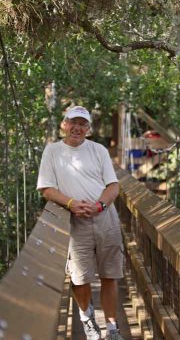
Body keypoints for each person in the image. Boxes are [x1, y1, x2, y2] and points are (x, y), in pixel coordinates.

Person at [37, 106, 124, 340]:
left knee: (110, 274)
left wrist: (99, 206)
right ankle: (87, 318)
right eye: (72, 122)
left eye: (82, 124)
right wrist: (72, 203)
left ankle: (113, 329)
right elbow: (46, 188)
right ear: (63, 125)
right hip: (74, 221)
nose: (77, 127)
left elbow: (113, 186)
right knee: (79, 277)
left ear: (89, 129)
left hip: (105, 217)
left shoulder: (98, 150)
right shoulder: (52, 151)